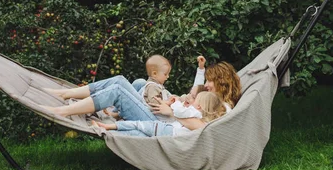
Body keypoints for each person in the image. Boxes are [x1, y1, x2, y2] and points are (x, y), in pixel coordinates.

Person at [41, 55, 171, 121]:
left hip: (156, 119)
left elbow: (188, 120)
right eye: (166, 74)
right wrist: (180, 99)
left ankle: (63, 111)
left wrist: (171, 110)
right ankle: (66, 93)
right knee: (138, 82)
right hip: (162, 109)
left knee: (117, 90)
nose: (168, 77)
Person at [94, 91, 226, 137]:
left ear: (200, 106)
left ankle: (108, 128)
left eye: (194, 101)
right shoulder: (201, 119)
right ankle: (108, 128)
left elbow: (180, 111)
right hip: (167, 130)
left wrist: (174, 105)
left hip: (166, 131)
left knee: (139, 126)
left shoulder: (195, 114)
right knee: (138, 128)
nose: (190, 103)